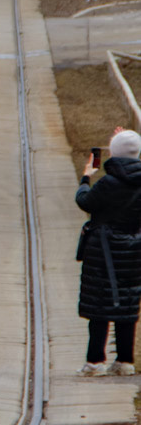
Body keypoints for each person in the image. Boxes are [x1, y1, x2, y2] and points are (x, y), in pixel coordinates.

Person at [76, 127, 141, 377]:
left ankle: (95, 361)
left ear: (113, 153)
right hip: (133, 248)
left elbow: (85, 202)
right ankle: (124, 361)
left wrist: (85, 178)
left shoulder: (107, 183)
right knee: (127, 305)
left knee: (98, 306)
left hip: (103, 249)